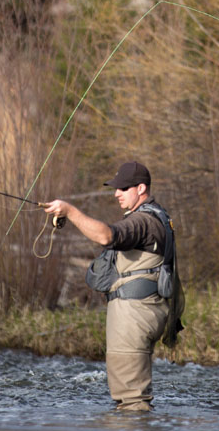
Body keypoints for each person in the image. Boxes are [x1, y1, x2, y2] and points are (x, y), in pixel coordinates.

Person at [42, 161, 178, 412]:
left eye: (123, 188)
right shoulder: (159, 216)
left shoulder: (144, 222)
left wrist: (70, 211)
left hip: (135, 315)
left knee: (132, 401)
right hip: (145, 311)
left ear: (141, 188)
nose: (116, 193)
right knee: (129, 397)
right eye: (116, 188)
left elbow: (106, 236)